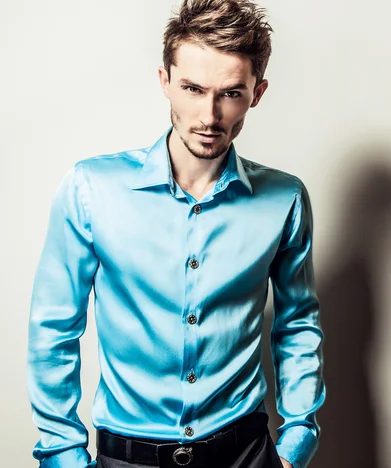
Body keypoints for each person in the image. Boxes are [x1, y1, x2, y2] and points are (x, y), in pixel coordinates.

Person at [26, 1, 325, 467]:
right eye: (192, 88)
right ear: (164, 81)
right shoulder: (92, 189)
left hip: (247, 452)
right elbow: (53, 330)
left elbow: (298, 326)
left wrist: (294, 444)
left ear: (257, 92)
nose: (209, 114)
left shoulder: (284, 199)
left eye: (230, 93)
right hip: (128, 456)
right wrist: (63, 455)